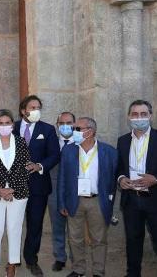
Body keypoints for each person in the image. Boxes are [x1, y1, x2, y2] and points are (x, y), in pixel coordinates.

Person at [117, 100, 157, 277]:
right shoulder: (123, 141)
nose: (139, 118)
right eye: (135, 114)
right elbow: (120, 168)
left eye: (143, 114)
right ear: (129, 117)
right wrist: (121, 178)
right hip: (131, 201)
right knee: (132, 242)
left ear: (150, 116)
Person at [57, 117, 118, 277]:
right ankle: (78, 269)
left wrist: (109, 201)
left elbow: (112, 180)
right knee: (75, 238)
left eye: (77, 128)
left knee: (99, 239)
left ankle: (98, 271)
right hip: (74, 200)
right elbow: (62, 178)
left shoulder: (109, 152)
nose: (73, 131)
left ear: (90, 132)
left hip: (97, 201)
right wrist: (62, 202)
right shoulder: (68, 150)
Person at [12, 95, 59, 276]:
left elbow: (54, 155)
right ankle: (14, 258)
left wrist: (39, 166)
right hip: (14, 185)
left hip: (38, 187)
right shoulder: (12, 127)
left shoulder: (47, 129)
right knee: (14, 224)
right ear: (23, 110)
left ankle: (31, 259)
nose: (36, 110)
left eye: (38, 107)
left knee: (35, 224)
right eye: (32, 107)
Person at [0, 109, 31, 277]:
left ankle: (11, 268)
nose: (4, 126)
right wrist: (0, 189)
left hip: (18, 193)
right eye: (1, 123)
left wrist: (12, 189)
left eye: (7, 123)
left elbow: (24, 168)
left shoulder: (21, 141)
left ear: (13, 125)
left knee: (14, 229)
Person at [48, 111, 76, 272]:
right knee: (57, 226)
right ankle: (60, 257)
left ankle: (76, 259)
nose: (66, 126)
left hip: (74, 192)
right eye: (62, 123)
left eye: (69, 122)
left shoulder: (81, 143)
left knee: (75, 228)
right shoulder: (52, 143)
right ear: (57, 125)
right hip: (54, 191)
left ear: (75, 124)